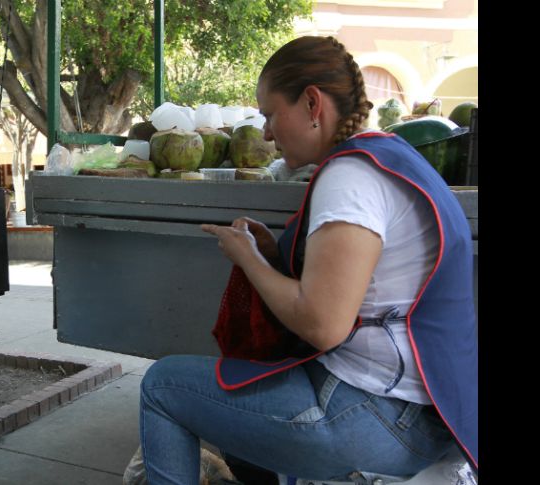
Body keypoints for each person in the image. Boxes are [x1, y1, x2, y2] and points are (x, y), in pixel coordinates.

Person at [139, 36, 477, 484]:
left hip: (377, 417)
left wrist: (250, 260)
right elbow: (364, 286)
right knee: (235, 388)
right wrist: (275, 256)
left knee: (162, 387)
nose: (266, 134)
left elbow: (323, 324)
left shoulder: (350, 178)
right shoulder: (389, 157)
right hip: (427, 412)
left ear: (313, 104)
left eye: (271, 114)